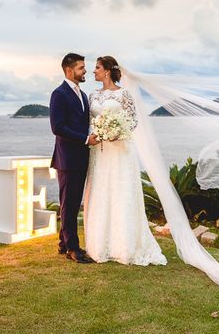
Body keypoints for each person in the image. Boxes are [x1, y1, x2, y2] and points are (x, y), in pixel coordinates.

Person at [83, 56, 167, 265]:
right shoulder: (92, 95)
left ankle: (125, 246)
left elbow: (133, 120)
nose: (94, 72)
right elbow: (90, 121)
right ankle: (99, 244)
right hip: (100, 152)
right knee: (101, 192)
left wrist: (118, 132)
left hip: (120, 149)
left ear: (108, 71)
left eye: (97, 68)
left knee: (121, 192)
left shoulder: (124, 94)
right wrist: (98, 133)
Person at [49, 53, 98, 264]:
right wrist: (86, 139)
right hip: (67, 159)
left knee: (72, 202)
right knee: (69, 204)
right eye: (81, 68)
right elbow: (57, 127)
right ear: (69, 70)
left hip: (81, 157)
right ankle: (73, 249)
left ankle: (63, 243)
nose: (85, 71)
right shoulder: (58, 94)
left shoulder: (83, 95)